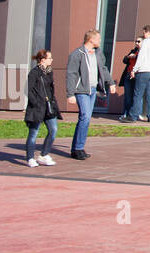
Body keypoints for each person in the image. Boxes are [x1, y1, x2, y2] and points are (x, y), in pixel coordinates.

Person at [65, 30, 118, 161]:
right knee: (85, 117)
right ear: (91, 40)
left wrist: (110, 82)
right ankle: (78, 148)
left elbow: (103, 69)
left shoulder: (98, 53)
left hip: (93, 90)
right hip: (81, 90)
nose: (100, 41)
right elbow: (71, 74)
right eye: (98, 39)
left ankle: (76, 149)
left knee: (84, 118)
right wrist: (70, 93)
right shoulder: (77, 54)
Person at [24, 49, 60, 167]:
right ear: (42, 59)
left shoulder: (49, 72)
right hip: (37, 108)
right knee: (33, 133)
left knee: (53, 130)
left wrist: (52, 102)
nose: (52, 60)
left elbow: (50, 89)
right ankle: (30, 158)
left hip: (49, 107)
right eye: (50, 58)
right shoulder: (34, 73)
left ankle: (44, 155)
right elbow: (27, 90)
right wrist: (35, 102)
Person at [128, 25, 150, 122]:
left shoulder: (146, 43)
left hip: (144, 71)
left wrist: (134, 70)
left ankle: (133, 116)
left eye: (144, 32)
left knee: (138, 94)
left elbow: (141, 58)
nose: (143, 35)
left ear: (148, 32)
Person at [118, 36, 141, 121]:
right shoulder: (133, 51)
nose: (137, 43)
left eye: (139, 41)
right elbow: (124, 60)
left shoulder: (144, 52)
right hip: (128, 74)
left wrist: (136, 57)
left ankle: (136, 114)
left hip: (138, 75)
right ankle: (126, 113)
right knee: (128, 96)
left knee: (137, 96)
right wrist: (128, 57)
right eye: (136, 41)